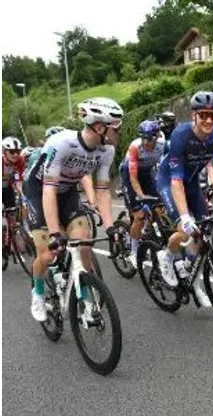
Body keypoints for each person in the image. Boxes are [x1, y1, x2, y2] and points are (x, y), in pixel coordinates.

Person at [23, 97, 123, 322]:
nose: (120, 132)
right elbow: (48, 191)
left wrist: (110, 228)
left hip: (67, 191)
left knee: (84, 241)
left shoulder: (106, 150)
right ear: (99, 127)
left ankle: (85, 294)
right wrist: (55, 234)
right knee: (48, 253)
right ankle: (38, 292)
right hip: (39, 191)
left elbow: (103, 190)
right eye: (116, 127)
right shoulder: (61, 144)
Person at [156, 91, 213, 307]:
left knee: (203, 233)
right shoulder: (181, 135)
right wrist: (184, 216)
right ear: (194, 115)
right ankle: (166, 255)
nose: (209, 120)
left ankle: (191, 277)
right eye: (203, 115)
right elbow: (176, 181)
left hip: (192, 184)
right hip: (170, 181)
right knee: (186, 230)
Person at [119, 120, 167, 265]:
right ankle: (133, 252)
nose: (146, 142)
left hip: (146, 173)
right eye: (143, 138)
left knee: (158, 209)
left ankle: (146, 231)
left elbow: (166, 167)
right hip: (130, 175)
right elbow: (133, 178)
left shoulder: (162, 144)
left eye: (150, 138)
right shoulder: (135, 147)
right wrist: (142, 197)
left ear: (157, 136)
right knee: (139, 215)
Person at [2, 137, 25, 211]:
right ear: (4, 151)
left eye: (18, 151)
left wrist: (23, 196)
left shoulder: (20, 160)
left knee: (12, 208)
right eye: (12, 151)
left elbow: (19, 181)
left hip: (8, 187)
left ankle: (11, 221)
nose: (15, 155)